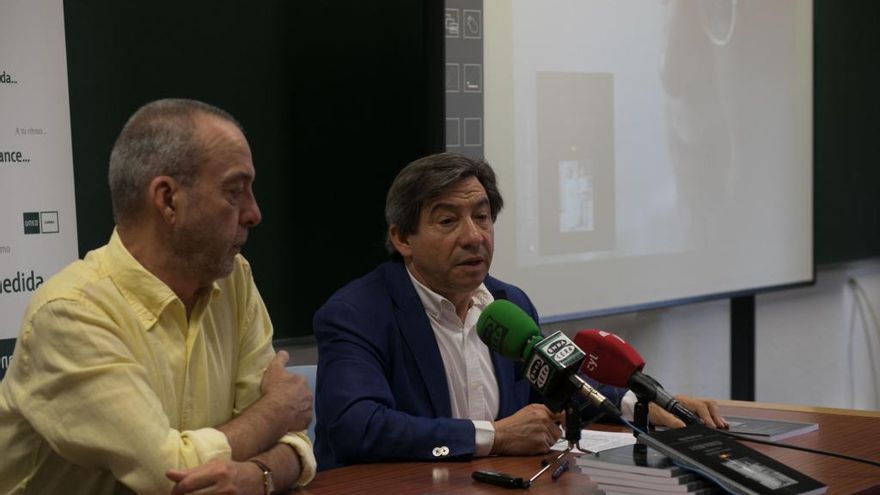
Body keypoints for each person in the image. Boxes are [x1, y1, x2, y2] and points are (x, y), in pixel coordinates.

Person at [313, 152, 725, 471]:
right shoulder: (356, 314)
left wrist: (645, 406)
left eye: (482, 217)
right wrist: (495, 436)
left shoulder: (508, 305)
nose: (473, 237)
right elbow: (358, 428)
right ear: (402, 238)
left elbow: (561, 388)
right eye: (448, 221)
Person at [0, 99, 316, 494]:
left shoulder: (233, 279)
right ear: (168, 199)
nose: (254, 213)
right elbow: (166, 474)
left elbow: (295, 441)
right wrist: (275, 411)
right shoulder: (70, 313)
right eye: (235, 192)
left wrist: (258, 476)